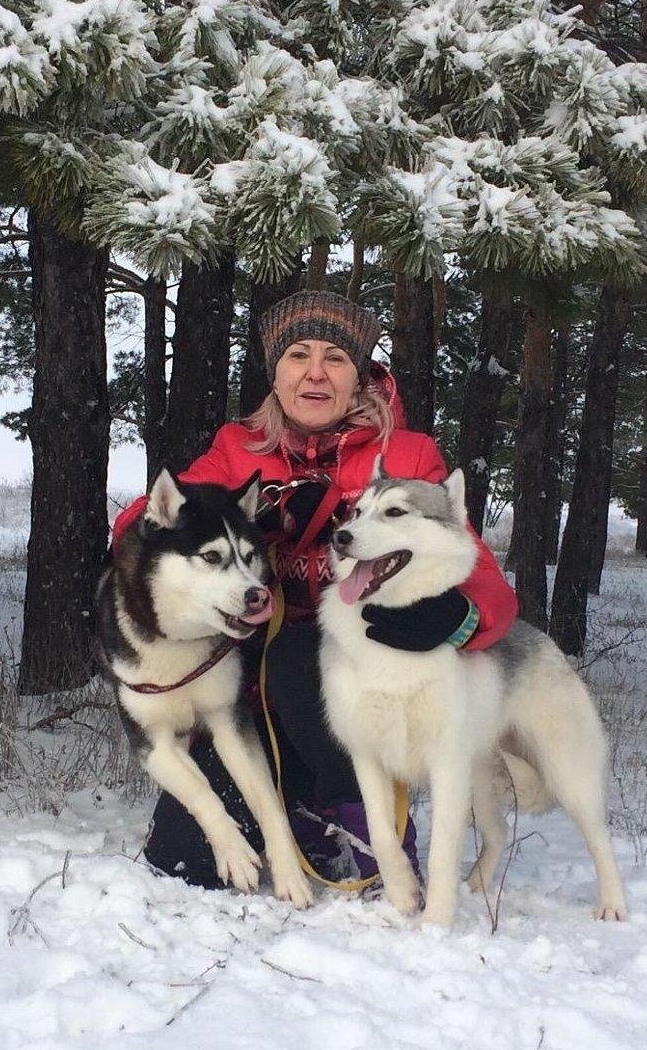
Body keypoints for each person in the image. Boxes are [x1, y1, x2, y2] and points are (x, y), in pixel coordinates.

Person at [110, 290, 518, 888]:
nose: (316, 373)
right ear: (275, 372)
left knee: (304, 652)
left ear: (360, 376)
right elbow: (141, 525)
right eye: (298, 355)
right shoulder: (238, 448)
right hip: (255, 701)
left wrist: (460, 616)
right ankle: (301, 809)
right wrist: (236, 517)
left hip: (349, 684)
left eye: (336, 358)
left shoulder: (404, 456)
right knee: (185, 861)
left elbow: (477, 571)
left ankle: (369, 825)